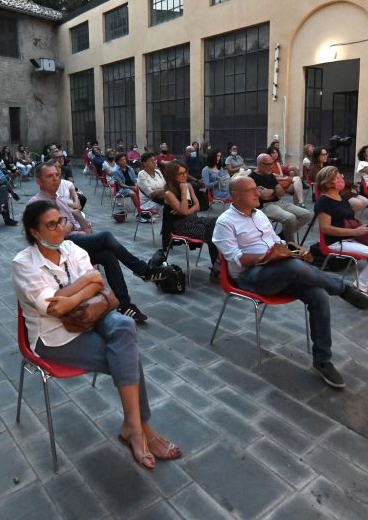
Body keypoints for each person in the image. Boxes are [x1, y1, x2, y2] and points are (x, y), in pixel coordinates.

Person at [12, 200, 182, 470]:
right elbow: (53, 307)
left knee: (124, 326)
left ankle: (133, 427)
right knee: (126, 354)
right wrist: (84, 285)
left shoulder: (71, 248)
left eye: (61, 221)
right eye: (51, 225)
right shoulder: (24, 263)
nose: (60, 228)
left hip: (93, 315)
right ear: (35, 232)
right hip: (55, 337)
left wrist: (72, 297)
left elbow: (98, 281)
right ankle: (140, 428)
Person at [213, 176, 368, 389]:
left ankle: (322, 360)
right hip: (250, 277)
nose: (258, 193)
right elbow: (237, 259)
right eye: (251, 190)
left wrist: (293, 251)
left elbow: (277, 241)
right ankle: (342, 288)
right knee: (293, 267)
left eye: (257, 188)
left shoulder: (260, 214)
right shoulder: (225, 222)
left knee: (318, 294)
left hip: (278, 271)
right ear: (236, 196)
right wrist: (267, 257)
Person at [30, 162, 171, 322]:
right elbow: (50, 234)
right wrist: (70, 227)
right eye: (49, 176)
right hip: (59, 248)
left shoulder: (60, 200)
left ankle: (124, 304)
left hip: (73, 243)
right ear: (39, 181)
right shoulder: (36, 205)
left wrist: (71, 226)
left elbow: (74, 224)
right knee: (106, 237)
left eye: (57, 175)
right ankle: (144, 271)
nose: (56, 179)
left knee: (108, 255)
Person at [313, 166, 368, 301]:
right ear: (329, 183)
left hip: (353, 237)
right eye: (338, 177)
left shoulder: (341, 198)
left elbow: (349, 219)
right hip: (336, 242)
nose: (342, 179)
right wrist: (355, 231)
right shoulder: (323, 202)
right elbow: (326, 229)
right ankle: (358, 289)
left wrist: (361, 228)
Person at [161, 161, 220, 279]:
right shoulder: (169, 193)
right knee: (215, 233)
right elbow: (184, 209)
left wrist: (186, 212)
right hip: (181, 226)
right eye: (181, 173)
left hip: (194, 220)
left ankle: (218, 266)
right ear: (172, 176)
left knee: (219, 223)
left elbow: (197, 206)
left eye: (185, 172)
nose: (185, 176)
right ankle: (218, 266)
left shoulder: (188, 186)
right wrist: (183, 192)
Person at [252, 153, 313, 242]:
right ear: (260, 164)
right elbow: (264, 196)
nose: (271, 167)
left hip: (279, 202)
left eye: (272, 164)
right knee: (290, 218)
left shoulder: (270, 175)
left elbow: (281, 192)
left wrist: (272, 192)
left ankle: (282, 236)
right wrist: (275, 191)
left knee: (307, 214)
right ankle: (291, 245)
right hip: (265, 206)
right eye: (269, 164)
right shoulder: (252, 178)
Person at [182, 145, 210, 211]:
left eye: (194, 151)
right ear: (187, 152)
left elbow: (204, 170)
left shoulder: (199, 160)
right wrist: (197, 180)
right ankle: (194, 203)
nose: (194, 153)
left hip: (201, 179)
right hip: (191, 180)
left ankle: (205, 204)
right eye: (191, 151)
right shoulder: (184, 162)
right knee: (195, 185)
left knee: (209, 183)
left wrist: (203, 179)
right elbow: (186, 174)